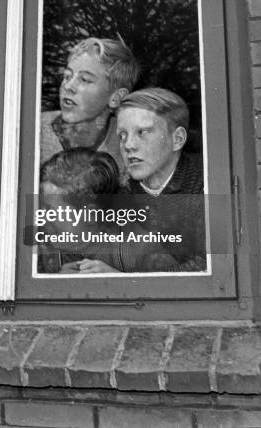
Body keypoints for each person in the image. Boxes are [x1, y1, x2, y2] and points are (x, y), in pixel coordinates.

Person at [38, 148, 178, 273]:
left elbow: (175, 294)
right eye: (40, 207)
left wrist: (116, 281)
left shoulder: (142, 251)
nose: (41, 217)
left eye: (51, 211)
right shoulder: (43, 246)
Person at [116, 87, 206, 271]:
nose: (128, 145)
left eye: (142, 132)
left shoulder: (205, 182)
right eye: (122, 136)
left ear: (177, 139)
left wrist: (123, 281)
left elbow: (208, 268)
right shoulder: (121, 193)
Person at [40, 37, 140, 185]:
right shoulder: (34, 129)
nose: (68, 86)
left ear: (115, 98)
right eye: (67, 76)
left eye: (85, 80)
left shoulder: (127, 147)